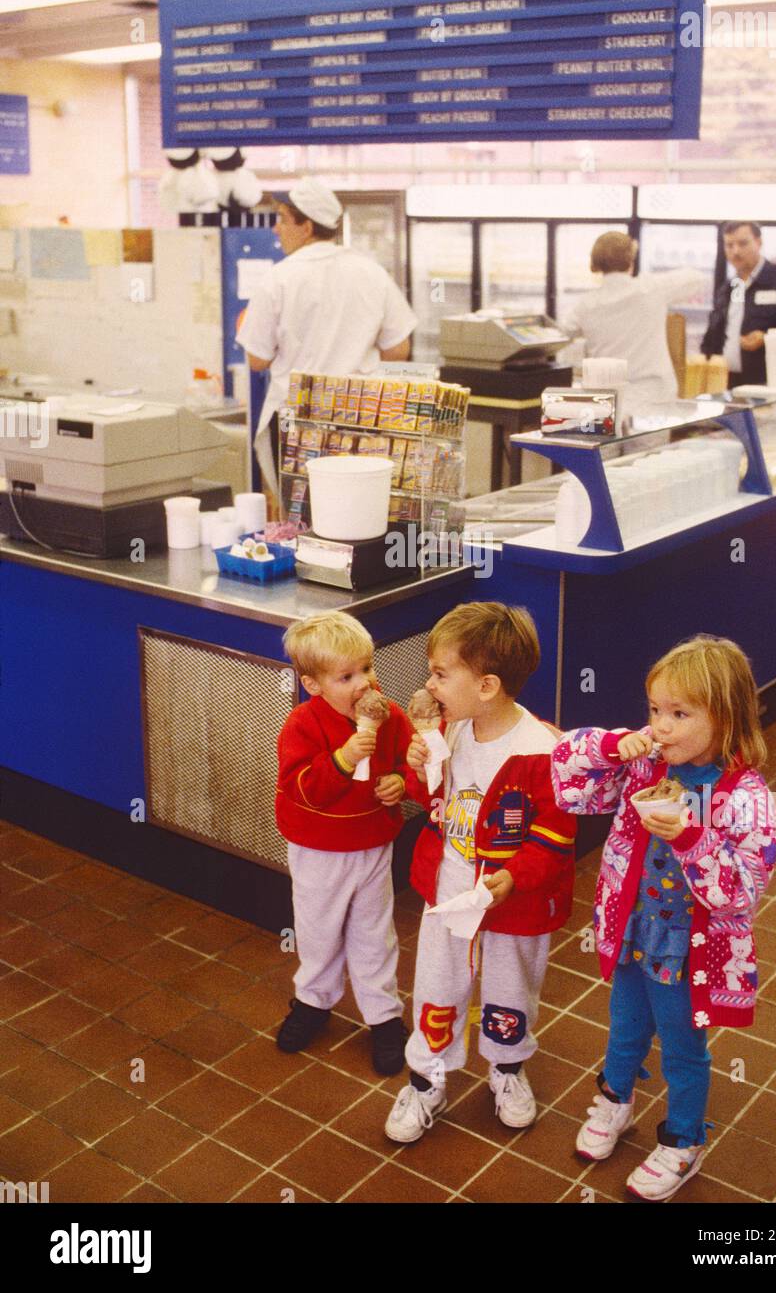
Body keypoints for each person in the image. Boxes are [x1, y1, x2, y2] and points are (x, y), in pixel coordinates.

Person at [551, 635, 776, 1201]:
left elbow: (740, 892)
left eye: (680, 714)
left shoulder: (746, 796)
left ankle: (683, 1139)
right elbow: (569, 785)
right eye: (655, 710)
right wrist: (611, 746)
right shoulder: (645, 763)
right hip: (632, 928)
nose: (662, 725)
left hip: (691, 950)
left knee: (683, 1048)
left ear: (724, 718)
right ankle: (615, 1101)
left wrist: (690, 836)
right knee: (624, 1028)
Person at [384, 603, 577, 1144]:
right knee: (436, 987)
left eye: (442, 674)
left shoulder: (543, 751)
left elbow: (556, 837)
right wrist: (422, 761)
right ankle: (426, 1078)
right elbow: (428, 799)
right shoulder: (452, 730)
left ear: (487, 684)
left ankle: (508, 1068)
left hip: (513, 906)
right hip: (449, 897)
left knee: (512, 989)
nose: (430, 684)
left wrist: (515, 876)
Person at [275, 612, 413, 1075]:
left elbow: (413, 760)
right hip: (318, 849)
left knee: (375, 933)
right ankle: (314, 1000)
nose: (364, 684)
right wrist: (344, 757)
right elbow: (303, 788)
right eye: (347, 676)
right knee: (317, 930)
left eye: (368, 668)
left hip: (373, 842)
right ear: (312, 684)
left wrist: (401, 780)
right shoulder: (302, 725)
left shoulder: (391, 715)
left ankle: (384, 1015)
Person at [237, 177, 417, 499]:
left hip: (297, 416)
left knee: (303, 516)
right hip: (360, 415)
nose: (276, 229)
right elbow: (399, 349)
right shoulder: (371, 271)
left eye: (282, 219)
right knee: (358, 511)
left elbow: (257, 360)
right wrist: (356, 355)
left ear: (306, 226)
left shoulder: (279, 278)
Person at [562, 231, 705, 412]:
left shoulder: (586, 304)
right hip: (653, 398)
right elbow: (698, 278)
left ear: (596, 263)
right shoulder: (651, 288)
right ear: (631, 260)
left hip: (605, 402)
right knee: (651, 441)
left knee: (608, 441)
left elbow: (560, 335)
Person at [701, 221, 776, 386]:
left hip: (771, 383)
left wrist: (767, 338)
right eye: (729, 245)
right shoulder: (730, 287)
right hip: (726, 384)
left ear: (759, 242)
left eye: (743, 243)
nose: (735, 251)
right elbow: (715, 334)